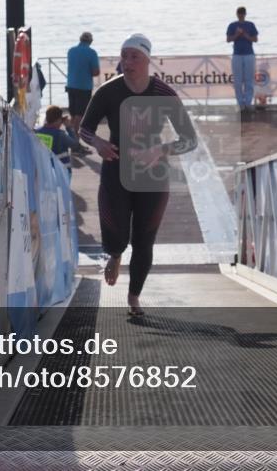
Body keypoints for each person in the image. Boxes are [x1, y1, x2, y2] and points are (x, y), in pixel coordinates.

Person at [79, 33, 197, 317]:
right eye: (124, 56)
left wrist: (161, 149)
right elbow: (84, 129)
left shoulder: (164, 94)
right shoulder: (108, 92)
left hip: (153, 175)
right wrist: (98, 143)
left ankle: (134, 297)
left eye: (134, 57)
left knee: (144, 240)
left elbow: (189, 140)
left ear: (147, 61)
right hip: (116, 168)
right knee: (116, 230)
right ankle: (115, 254)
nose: (128, 62)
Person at [66, 32, 99, 154]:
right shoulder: (92, 53)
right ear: (90, 41)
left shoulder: (71, 51)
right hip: (83, 87)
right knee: (80, 116)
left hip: (71, 85)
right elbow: (96, 72)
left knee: (73, 114)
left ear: (80, 39)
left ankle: (72, 142)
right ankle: (76, 145)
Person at [226, 6, 259, 111]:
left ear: (245, 14)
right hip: (237, 55)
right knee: (238, 81)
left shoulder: (250, 25)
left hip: (249, 54)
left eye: (242, 13)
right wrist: (237, 34)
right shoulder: (232, 25)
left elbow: (255, 39)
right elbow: (228, 39)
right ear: (237, 14)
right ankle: (240, 103)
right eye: (239, 13)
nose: (241, 15)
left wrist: (245, 35)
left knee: (249, 80)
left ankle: (248, 103)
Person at [35, 105, 79, 177]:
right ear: (57, 120)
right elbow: (75, 145)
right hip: (62, 172)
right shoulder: (60, 135)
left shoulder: (37, 132)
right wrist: (69, 128)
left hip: (44, 171)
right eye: (61, 120)